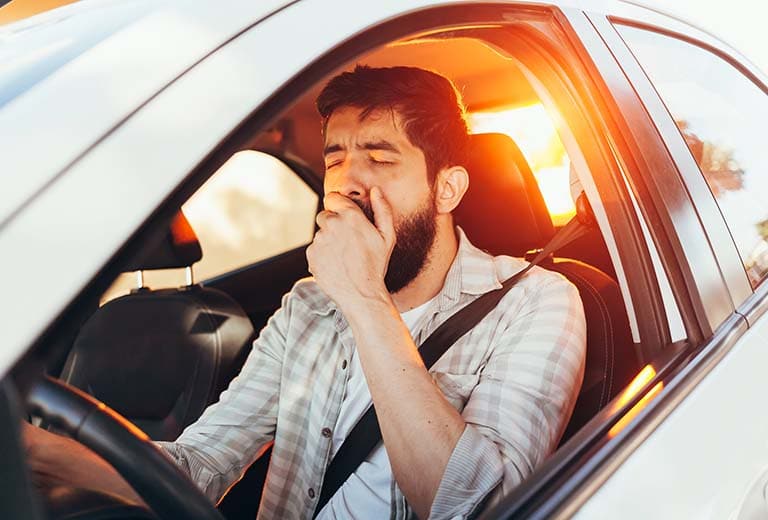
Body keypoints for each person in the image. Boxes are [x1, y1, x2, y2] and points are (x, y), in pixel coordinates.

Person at [24, 65, 587, 520]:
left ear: (447, 187)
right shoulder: (307, 306)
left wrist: (365, 298)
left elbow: (478, 507)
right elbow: (197, 466)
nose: (347, 181)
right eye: (336, 159)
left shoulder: (536, 302)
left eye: (380, 157)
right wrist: (30, 450)